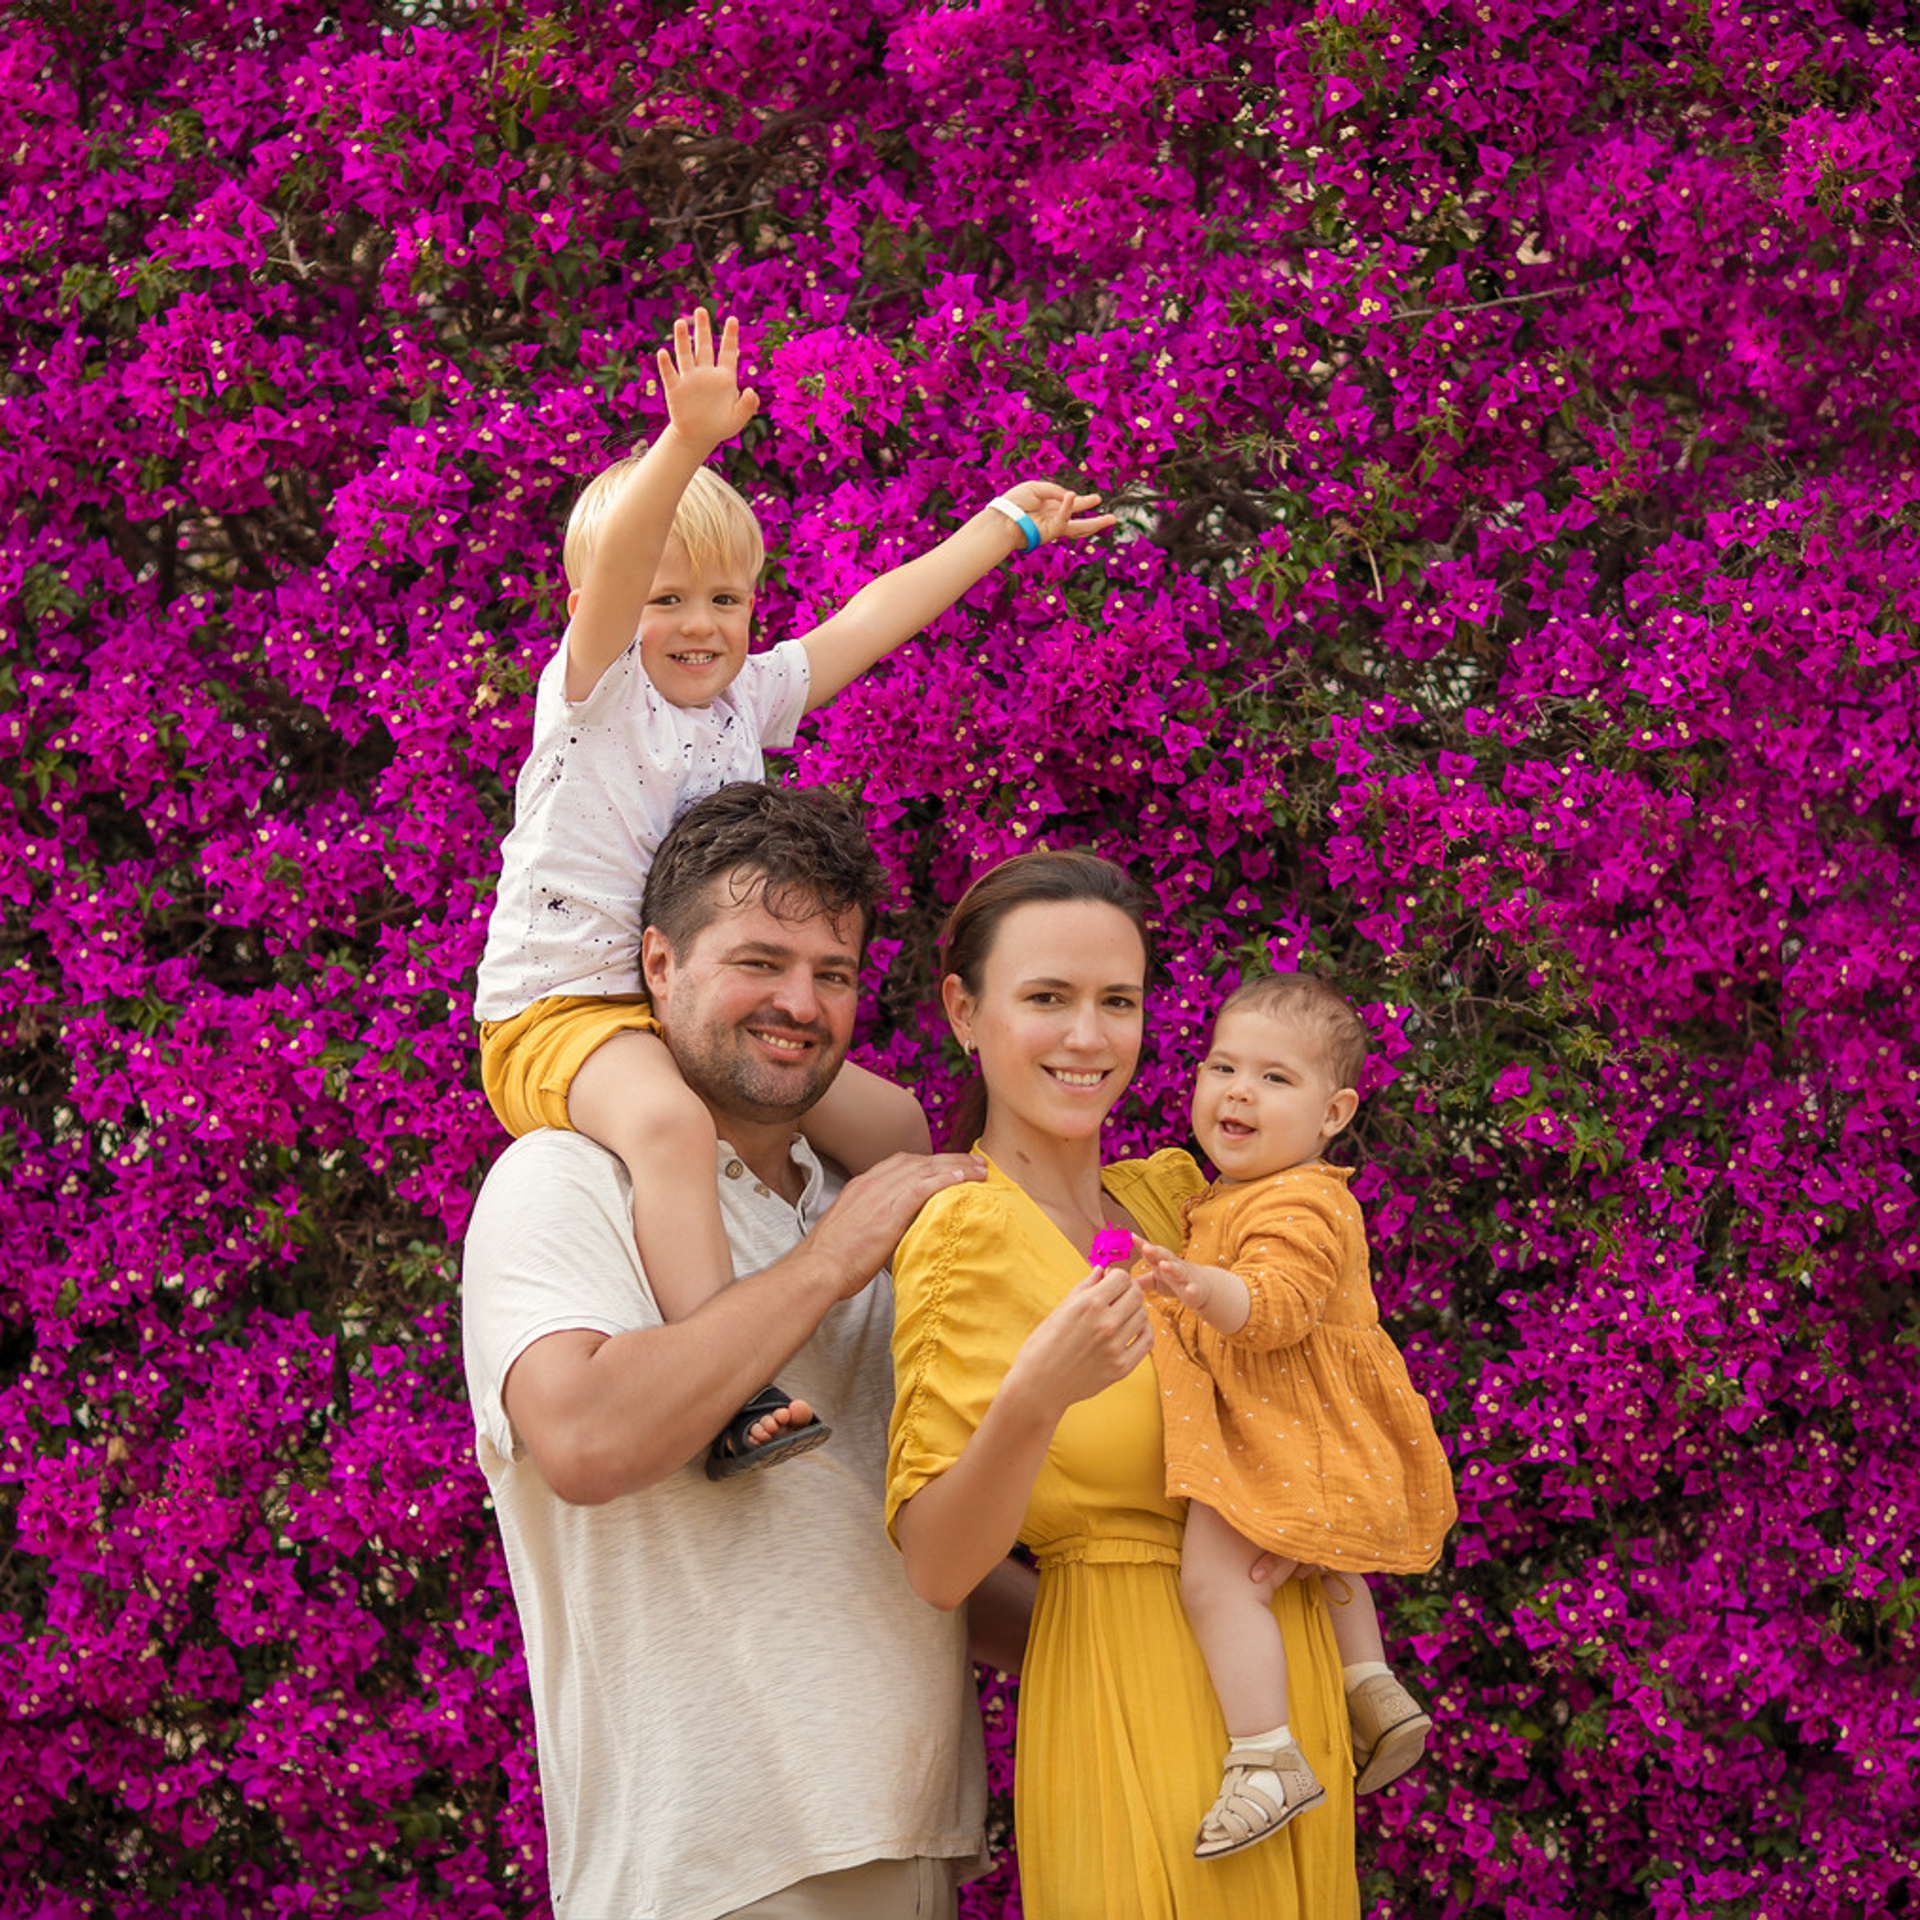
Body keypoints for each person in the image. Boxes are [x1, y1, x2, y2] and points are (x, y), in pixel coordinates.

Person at [473, 306, 1112, 1473]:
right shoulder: (592, 693)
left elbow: (876, 617)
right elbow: (618, 568)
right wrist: (683, 448)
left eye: (724, 600)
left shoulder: (745, 701)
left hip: (688, 1008)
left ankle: (970, 1353)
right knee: (667, 1126)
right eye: (669, 600)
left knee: (898, 1124)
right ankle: (730, 1383)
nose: (699, 625)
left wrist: (1003, 525)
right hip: (561, 1014)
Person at [463, 783, 1015, 1920]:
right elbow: (583, 1437)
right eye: (759, 961)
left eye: (835, 974)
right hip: (709, 1869)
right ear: (657, 965)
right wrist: (825, 1267)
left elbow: (899, 1539)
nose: (799, 1004)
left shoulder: (867, 1195)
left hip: (913, 1843)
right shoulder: (567, 1181)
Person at [884, 851, 1360, 1918]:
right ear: (964, 1010)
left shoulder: (1185, 1200)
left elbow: (1338, 1356)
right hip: (1124, 1689)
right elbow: (936, 1565)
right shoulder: (966, 1230)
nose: (1089, 1038)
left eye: (1119, 1002)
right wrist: (1035, 1396)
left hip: (1285, 1697)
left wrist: (1315, 1493)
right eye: (1047, 999)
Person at [1134, 971, 1456, 1859]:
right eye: (1221, 1066)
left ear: (1333, 1113)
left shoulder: (1302, 1200)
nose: (1238, 1089)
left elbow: (1271, 1307)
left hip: (1291, 1432)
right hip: (1318, 1430)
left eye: (1275, 1078)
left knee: (1213, 1581)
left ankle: (1265, 1758)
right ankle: (1370, 1682)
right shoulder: (1247, 1191)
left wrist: (1195, 1285)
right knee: (1321, 1557)